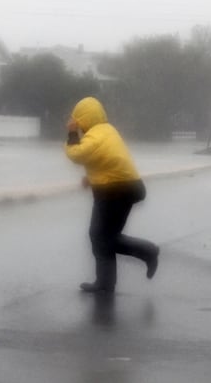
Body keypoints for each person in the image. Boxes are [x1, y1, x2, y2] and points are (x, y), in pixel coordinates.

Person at [64, 96, 159, 293]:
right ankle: (108, 282)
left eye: (77, 121)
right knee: (106, 237)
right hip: (123, 188)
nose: (77, 125)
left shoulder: (96, 136)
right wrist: (90, 179)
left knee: (100, 236)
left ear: (83, 118)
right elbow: (109, 160)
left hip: (114, 191)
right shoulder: (108, 131)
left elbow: (77, 154)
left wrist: (72, 134)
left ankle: (145, 253)